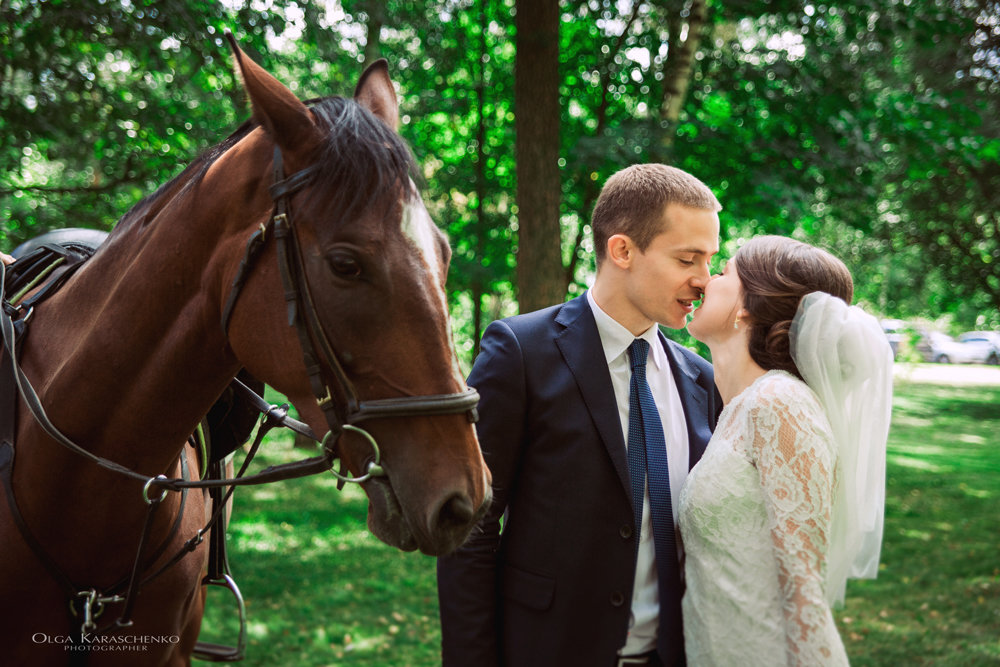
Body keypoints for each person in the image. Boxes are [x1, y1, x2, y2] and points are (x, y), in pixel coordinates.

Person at [437, 163, 724, 667]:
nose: (704, 280)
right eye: (688, 259)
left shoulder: (701, 379)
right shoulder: (520, 352)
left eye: (709, 260)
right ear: (623, 251)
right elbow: (471, 530)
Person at [680, 236, 892, 666]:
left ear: (747, 307)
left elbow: (804, 589)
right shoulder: (739, 407)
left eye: (722, 273)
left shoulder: (780, 404)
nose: (705, 280)